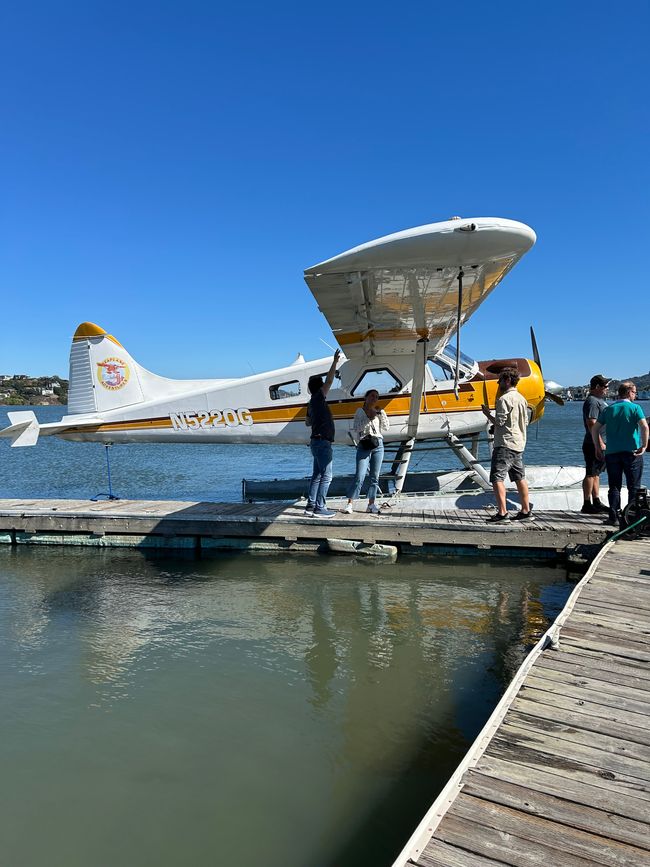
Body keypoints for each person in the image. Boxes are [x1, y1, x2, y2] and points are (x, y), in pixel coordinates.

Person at [592, 381, 648, 526]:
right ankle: (631, 518)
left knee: (614, 486)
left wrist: (598, 447)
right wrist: (644, 445)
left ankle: (613, 516)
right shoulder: (635, 408)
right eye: (634, 392)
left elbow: (595, 429)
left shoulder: (609, 409)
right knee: (633, 487)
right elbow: (644, 427)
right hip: (632, 452)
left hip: (612, 453)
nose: (635, 395)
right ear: (629, 392)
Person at [481, 366, 532, 523]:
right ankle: (525, 510)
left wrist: (487, 413)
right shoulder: (522, 399)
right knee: (519, 477)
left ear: (508, 380)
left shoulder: (503, 400)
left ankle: (502, 513)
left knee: (497, 478)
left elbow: (500, 422)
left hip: (505, 444)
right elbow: (525, 422)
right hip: (519, 443)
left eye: (500, 381)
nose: (498, 384)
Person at [304, 349, 341, 518]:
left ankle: (310, 505)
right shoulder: (318, 398)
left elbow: (307, 422)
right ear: (319, 388)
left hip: (315, 442)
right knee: (327, 476)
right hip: (322, 442)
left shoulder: (311, 403)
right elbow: (330, 380)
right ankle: (320, 507)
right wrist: (334, 362)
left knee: (317, 475)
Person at [342, 389, 390, 515]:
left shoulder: (379, 410)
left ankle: (371, 504)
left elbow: (386, 427)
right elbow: (357, 428)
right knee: (360, 476)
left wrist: (381, 414)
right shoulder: (360, 411)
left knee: (375, 477)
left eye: (377, 396)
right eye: (372, 396)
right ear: (366, 397)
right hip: (364, 445)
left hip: (378, 444)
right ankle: (349, 503)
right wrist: (369, 417)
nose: (374, 398)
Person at [580, 374, 610, 513]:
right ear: (597, 387)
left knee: (596, 473)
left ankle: (596, 501)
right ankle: (586, 503)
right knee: (590, 473)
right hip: (593, 443)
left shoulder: (599, 400)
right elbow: (591, 423)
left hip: (600, 442)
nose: (607, 389)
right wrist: (599, 443)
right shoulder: (592, 401)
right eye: (605, 386)